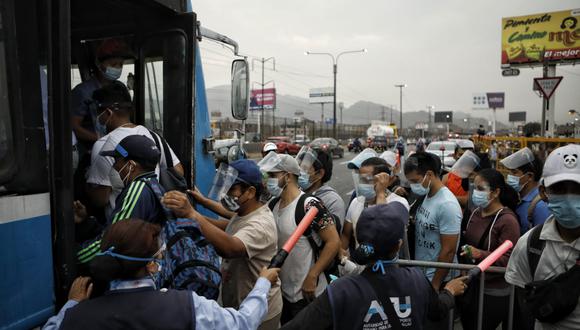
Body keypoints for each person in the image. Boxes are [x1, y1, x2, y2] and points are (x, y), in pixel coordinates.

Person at [43, 219, 281, 330]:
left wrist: (72, 303)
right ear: (152, 265)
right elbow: (243, 323)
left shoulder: (74, 318)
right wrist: (261, 284)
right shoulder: (186, 306)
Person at [281, 203, 469, 330]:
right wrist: (449, 293)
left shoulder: (341, 290)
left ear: (360, 240)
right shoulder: (416, 279)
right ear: (398, 245)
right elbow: (437, 311)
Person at [162, 159, 283, 330]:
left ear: (250, 192)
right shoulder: (244, 212)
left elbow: (230, 247)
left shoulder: (260, 225)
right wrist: (197, 210)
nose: (226, 193)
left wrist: (192, 215)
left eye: (231, 188)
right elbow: (228, 227)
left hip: (260, 311)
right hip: (241, 302)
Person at [258, 152, 340, 324]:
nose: (268, 180)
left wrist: (313, 275)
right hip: (283, 293)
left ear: (287, 176)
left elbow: (333, 242)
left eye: (273, 175)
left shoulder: (309, 204)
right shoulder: (273, 204)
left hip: (308, 294)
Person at [505, 144, 580, 330]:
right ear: (543, 192)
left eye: (578, 189)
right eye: (560, 189)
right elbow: (524, 306)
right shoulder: (530, 244)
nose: (570, 198)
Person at [86, 82, 182, 220]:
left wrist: (87, 187)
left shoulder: (103, 144)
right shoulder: (152, 136)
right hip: (152, 220)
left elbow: (101, 199)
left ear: (108, 113)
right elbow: (178, 170)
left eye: (97, 113)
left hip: (121, 225)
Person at [76, 135, 167, 264]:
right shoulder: (153, 185)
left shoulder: (137, 190)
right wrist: (86, 222)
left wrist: (77, 256)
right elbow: (115, 227)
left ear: (130, 165)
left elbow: (113, 240)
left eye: (116, 160)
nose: (114, 167)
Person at [458, 169, 520, 330]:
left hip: (494, 291)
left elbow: (509, 260)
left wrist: (480, 254)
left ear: (496, 192)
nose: (475, 193)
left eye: (480, 189)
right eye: (475, 188)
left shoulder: (507, 221)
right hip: (472, 285)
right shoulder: (475, 212)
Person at [404, 152, 462, 291]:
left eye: (415, 181)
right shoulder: (427, 194)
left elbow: (448, 251)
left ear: (429, 175)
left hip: (439, 280)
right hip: (422, 275)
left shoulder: (447, 204)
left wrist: (435, 285)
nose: (412, 186)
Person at [71, 39, 133, 154]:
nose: (118, 68)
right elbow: (74, 126)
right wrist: (101, 139)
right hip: (91, 151)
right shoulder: (83, 92)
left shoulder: (121, 88)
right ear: (99, 64)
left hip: (119, 148)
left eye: (120, 64)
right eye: (113, 64)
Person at [341, 157, 409, 250]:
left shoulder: (399, 203)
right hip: (360, 262)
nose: (361, 184)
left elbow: (383, 231)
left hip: (384, 263)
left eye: (367, 180)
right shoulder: (356, 202)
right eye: (361, 180)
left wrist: (380, 193)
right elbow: (346, 234)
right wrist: (342, 253)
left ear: (383, 180)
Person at [500, 147, 550, 235]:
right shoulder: (519, 197)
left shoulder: (540, 206)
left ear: (530, 176)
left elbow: (541, 241)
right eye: (509, 172)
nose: (509, 176)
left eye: (514, 172)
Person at [297, 147, 346, 229]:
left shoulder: (332, 201)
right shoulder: (296, 193)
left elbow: (334, 238)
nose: (299, 172)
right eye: (299, 167)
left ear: (319, 174)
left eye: (304, 169)